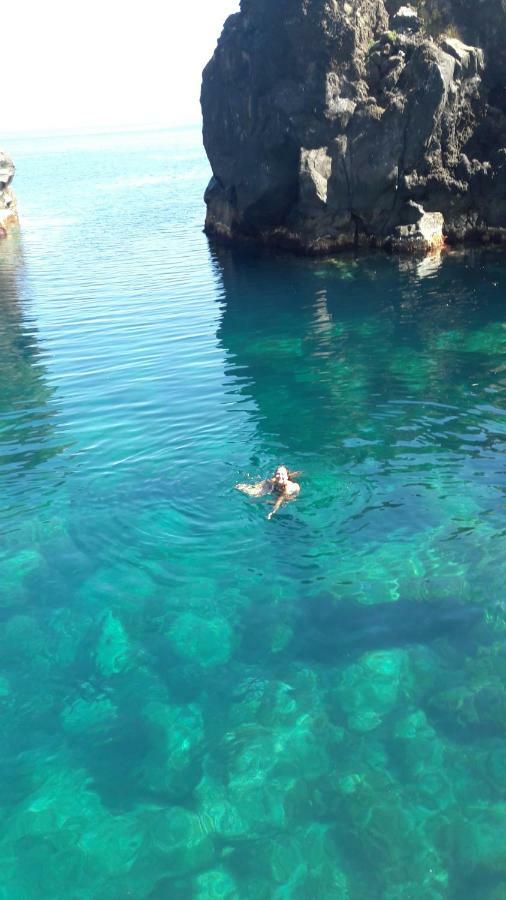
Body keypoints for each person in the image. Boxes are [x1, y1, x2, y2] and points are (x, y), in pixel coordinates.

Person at [236, 465, 301, 519]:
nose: (280, 476)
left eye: (283, 474)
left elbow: (280, 500)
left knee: (271, 501)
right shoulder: (274, 480)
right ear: (275, 475)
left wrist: (272, 512)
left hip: (288, 496)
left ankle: (296, 474)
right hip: (278, 488)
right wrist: (256, 486)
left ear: (287, 476)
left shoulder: (289, 487)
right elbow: (266, 482)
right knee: (250, 491)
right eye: (278, 474)